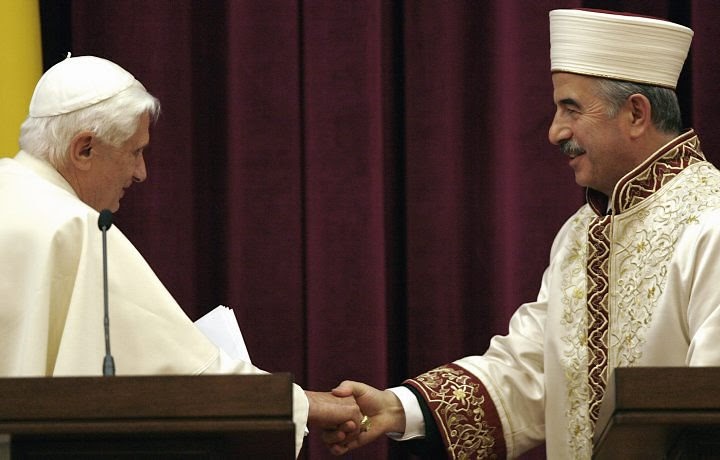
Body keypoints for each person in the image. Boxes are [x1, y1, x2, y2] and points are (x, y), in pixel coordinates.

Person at [322, 8, 720, 459]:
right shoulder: (582, 234)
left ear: (635, 113)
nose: (555, 131)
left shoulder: (710, 223)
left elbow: (707, 412)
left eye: (571, 108)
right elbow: (533, 373)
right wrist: (397, 408)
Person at [0, 55, 360, 458]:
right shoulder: (75, 227)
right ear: (84, 149)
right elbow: (183, 373)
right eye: (135, 152)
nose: (141, 172)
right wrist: (306, 405)